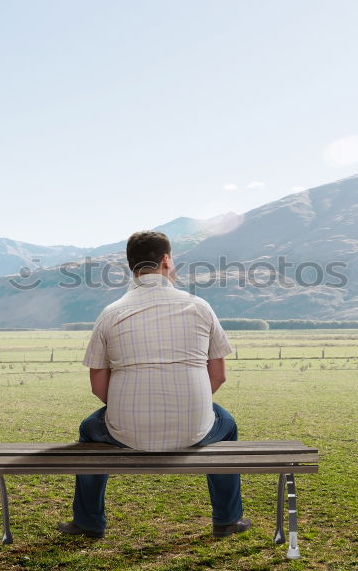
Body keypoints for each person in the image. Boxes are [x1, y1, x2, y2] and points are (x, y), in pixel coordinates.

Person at [57, 230, 250, 539]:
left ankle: (88, 523)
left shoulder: (110, 313)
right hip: (195, 428)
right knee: (226, 425)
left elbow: (97, 385)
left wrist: (122, 409)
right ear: (165, 260)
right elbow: (219, 375)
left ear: (130, 265)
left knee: (88, 430)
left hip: (124, 431)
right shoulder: (200, 307)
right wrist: (194, 404)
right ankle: (227, 520)